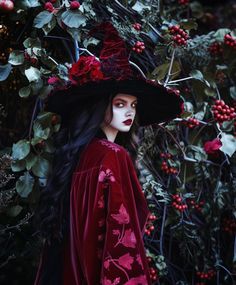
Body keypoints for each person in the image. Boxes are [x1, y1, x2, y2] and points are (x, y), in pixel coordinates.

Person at [34, 22, 183, 285]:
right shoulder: (112, 155)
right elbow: (120, 243)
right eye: (120, 104)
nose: (129, 112)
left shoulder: (81, 156)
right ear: (102, 106)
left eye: (133, 105)